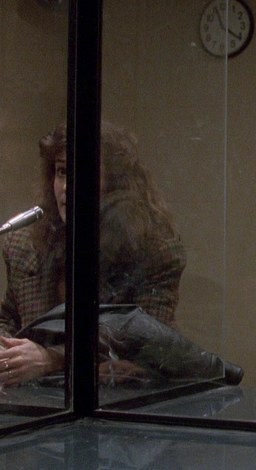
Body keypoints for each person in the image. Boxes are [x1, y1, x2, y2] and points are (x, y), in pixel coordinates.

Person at [0, 121, 187, 386]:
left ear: (116, 184)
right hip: (36, 401)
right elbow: (8, 317)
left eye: (83, 172)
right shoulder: (23, 244)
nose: (67, 187)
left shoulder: (153, 250)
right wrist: (5, 350)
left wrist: (52, 358)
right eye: (62, 171)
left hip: (118, 401)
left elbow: (147, 341)